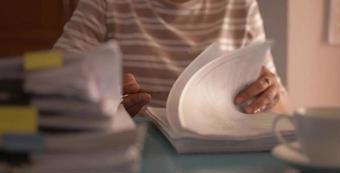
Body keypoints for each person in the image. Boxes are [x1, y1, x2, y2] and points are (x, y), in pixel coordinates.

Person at [54, 0, 287, 116]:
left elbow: (281, 105)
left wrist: (270, 94)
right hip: (130, 152)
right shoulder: (106, 3)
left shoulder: (241, 5)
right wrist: (109, 103)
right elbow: (54, 77)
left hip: (217, 156)